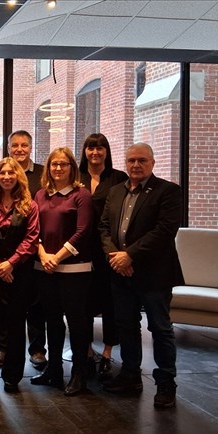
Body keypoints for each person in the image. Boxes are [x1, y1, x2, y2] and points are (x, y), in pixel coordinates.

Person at [99, 142, 184, 409]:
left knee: (160, 328)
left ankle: (166, 383)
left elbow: (164, 231)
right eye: (131, 160)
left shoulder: (168, 191)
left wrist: (130, 255)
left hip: (154, 275)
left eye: (142, 160)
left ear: (152, 163)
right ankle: (130, 375)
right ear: (125, 163)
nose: (136, 165)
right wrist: (116, 257)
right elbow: (103, 228)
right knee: (126, 325)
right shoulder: (115, 191)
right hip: (120, 272)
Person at [30, 147, 95, 397]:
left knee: (77, 322)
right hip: (45, 268)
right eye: (54, 164)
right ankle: (54, 370)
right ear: (48, 168)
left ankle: (79, 374)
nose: (58, 168)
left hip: (75, 270)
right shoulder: (40, 194)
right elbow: (33, 230)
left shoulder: (81, 195)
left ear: (72, 168)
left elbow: (83, 231)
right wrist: (43, 255)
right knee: (52, 321)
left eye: (63, 164)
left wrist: (56, 257)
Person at [0, 157, 39, 393]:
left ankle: (12, 376)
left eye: (11, 173)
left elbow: (32, 239)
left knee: (15, 322)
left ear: (18, 177)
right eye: (2, 173)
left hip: (19, 272)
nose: (7, 177)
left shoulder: (30, 206)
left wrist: (11, 264)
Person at [78, 133, 128, 378]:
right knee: (84, 302)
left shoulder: (119, 178)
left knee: (110, 302)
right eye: (90, 148)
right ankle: (87, 351)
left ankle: (107, 352)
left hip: (109, 249)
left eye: (100, 148)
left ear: (107, 151)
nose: (95, 152)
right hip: (80, 248)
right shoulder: (76, 177)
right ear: (85, 151)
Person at [7, 130, 47, 370]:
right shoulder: (1, 172)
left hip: (36, 247)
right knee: (5, 303)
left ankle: (37, 349)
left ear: (31, 148)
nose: (19, 149)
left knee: (36, 302)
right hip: (7, 250)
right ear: (9, 148)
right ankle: (4, 348)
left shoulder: (42, 174)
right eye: (15, 145)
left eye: (24, 145)